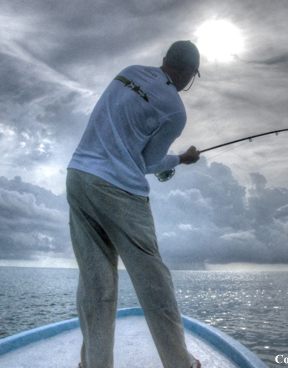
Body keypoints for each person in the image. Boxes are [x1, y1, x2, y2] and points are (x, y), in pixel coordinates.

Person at [66, 40, 202, 368]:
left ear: (165, 59)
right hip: (119, 191)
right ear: (189, 74)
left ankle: (94, 364)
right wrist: (182, 160)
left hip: (79, 177)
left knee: (95, 282)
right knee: (154, 284)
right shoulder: (174, 108)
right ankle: (180, 364)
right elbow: (148, 162)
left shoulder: (128, 73)